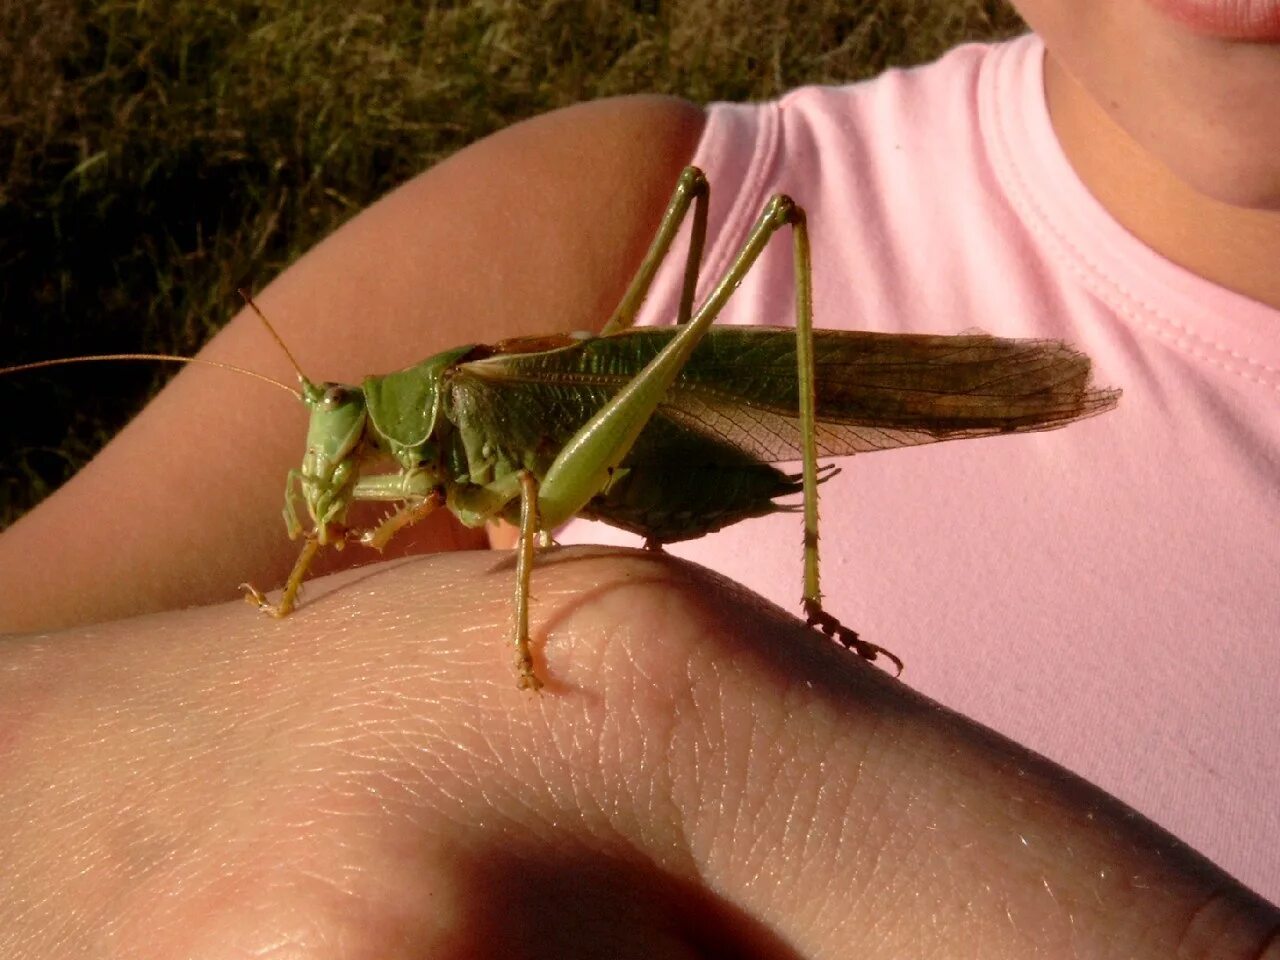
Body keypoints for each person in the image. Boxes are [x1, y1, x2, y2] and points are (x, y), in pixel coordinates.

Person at [0, 0, 1276, 953]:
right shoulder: (565, 221)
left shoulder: (576, 311)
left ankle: (816, 580)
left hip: (641, 446)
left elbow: (505, 511)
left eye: (336, 425)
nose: (328, 458)